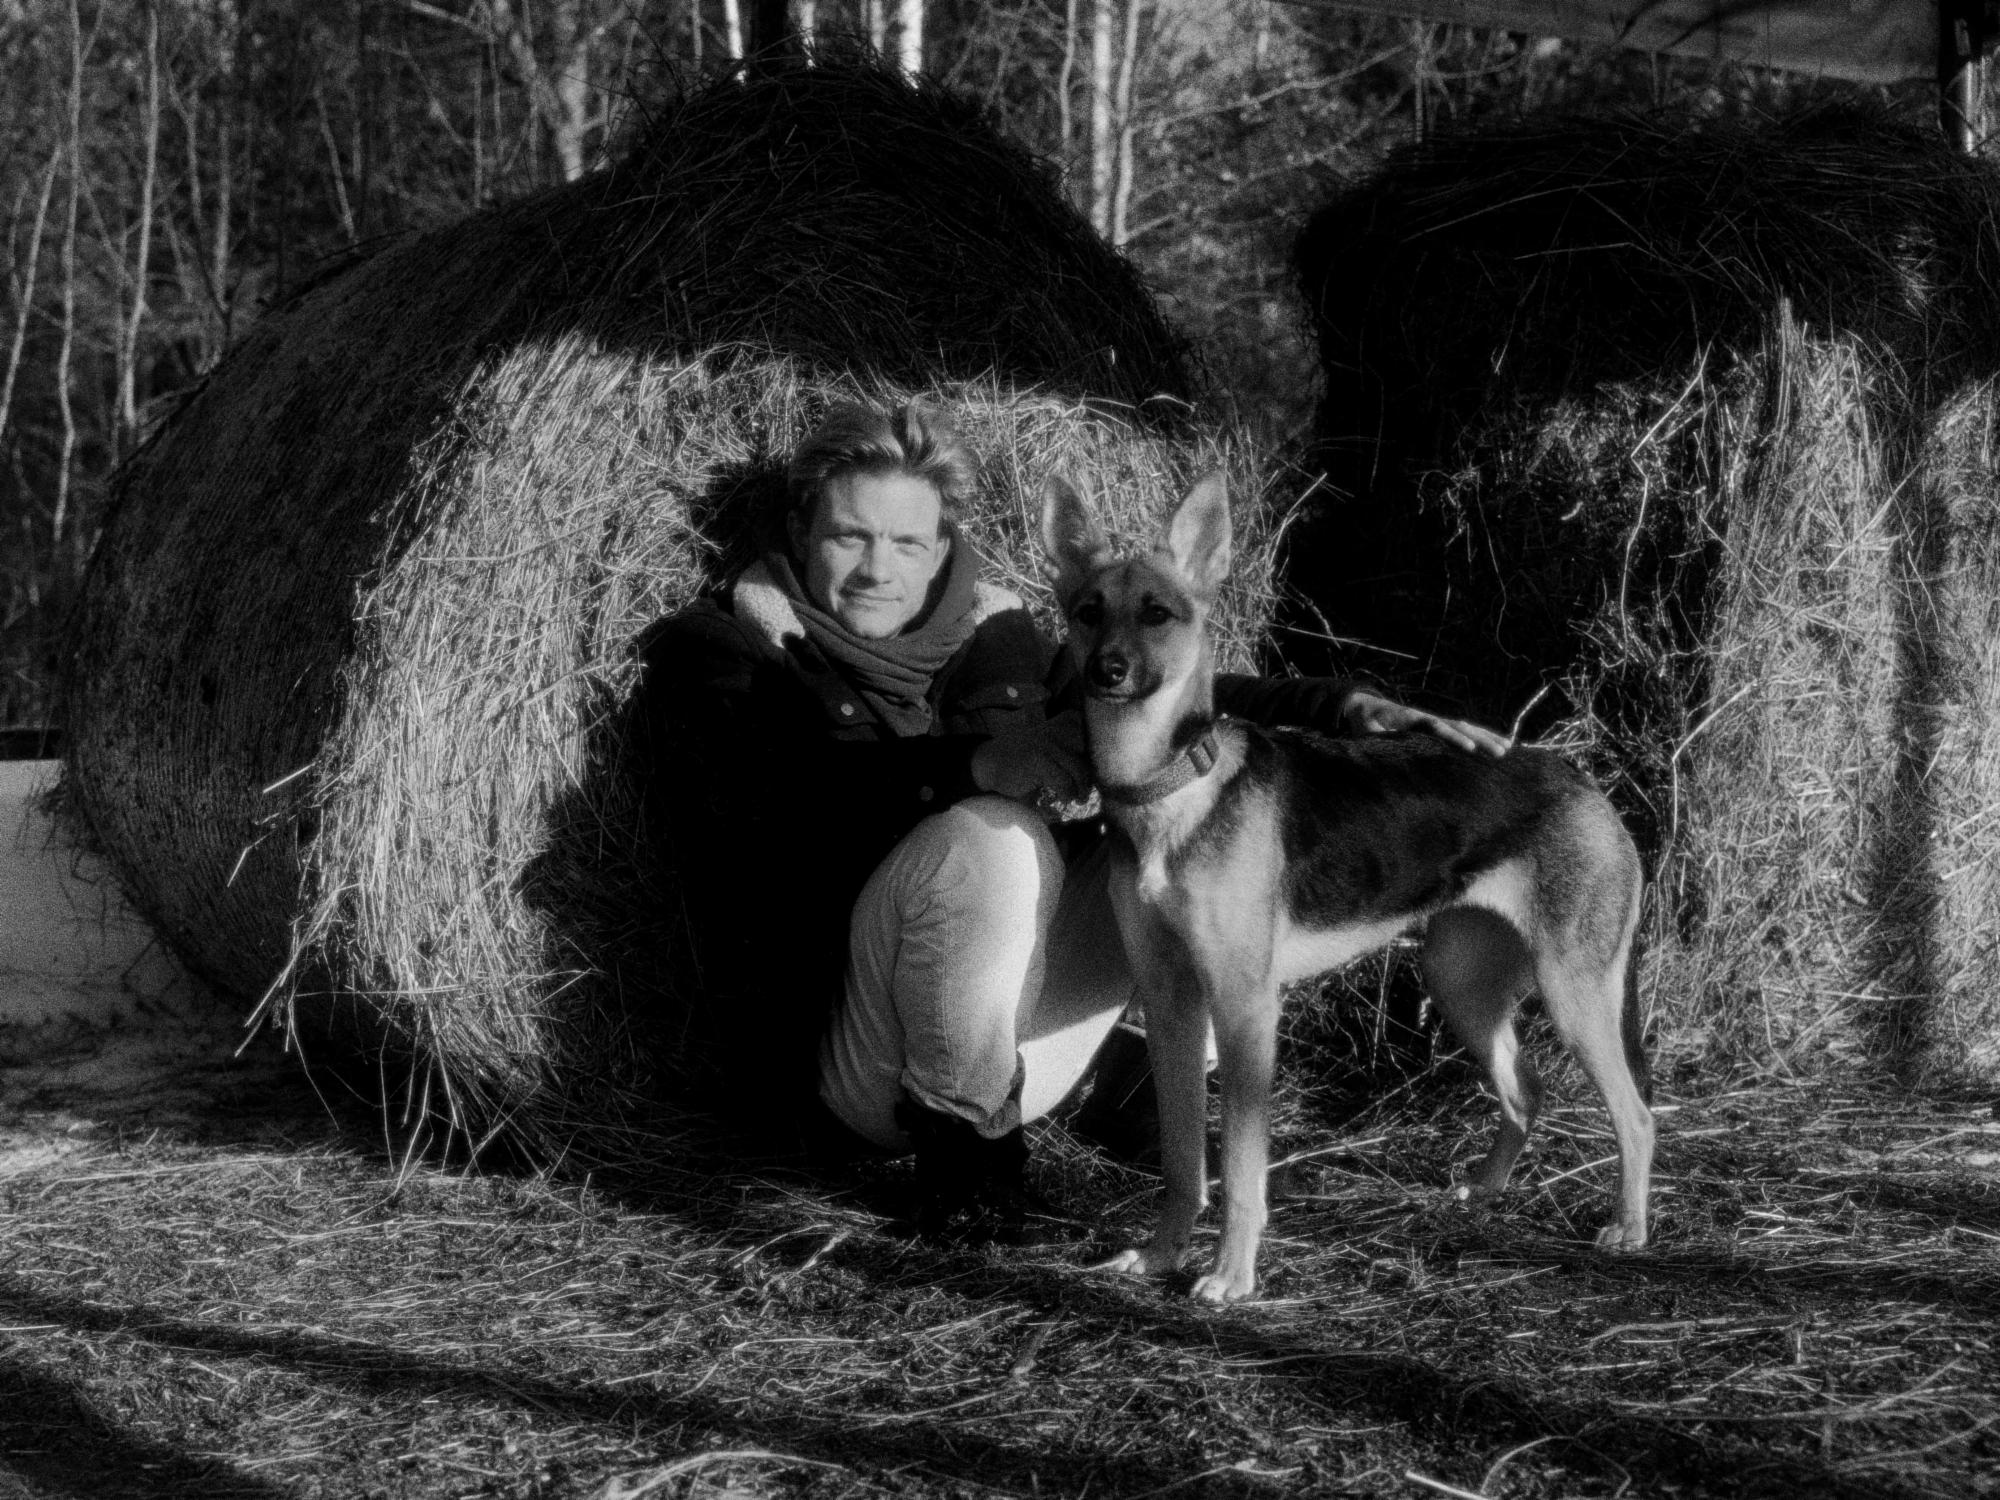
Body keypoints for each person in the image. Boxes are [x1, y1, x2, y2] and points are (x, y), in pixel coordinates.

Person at [641, 400, 1507, 1238]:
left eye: (906, 542)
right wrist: (975, 766)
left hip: (1004, 1041)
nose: (878, 569)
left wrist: (1345, 708)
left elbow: (1158, 689)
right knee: (989, 837)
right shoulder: (721, 653)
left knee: (1172, 846)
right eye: (849, 536)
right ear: (800, 533)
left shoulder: (996, 641)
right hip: (859, 1065)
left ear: (940, 548)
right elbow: (766, 806)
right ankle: (969, 1179)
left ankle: (1139, 1086)